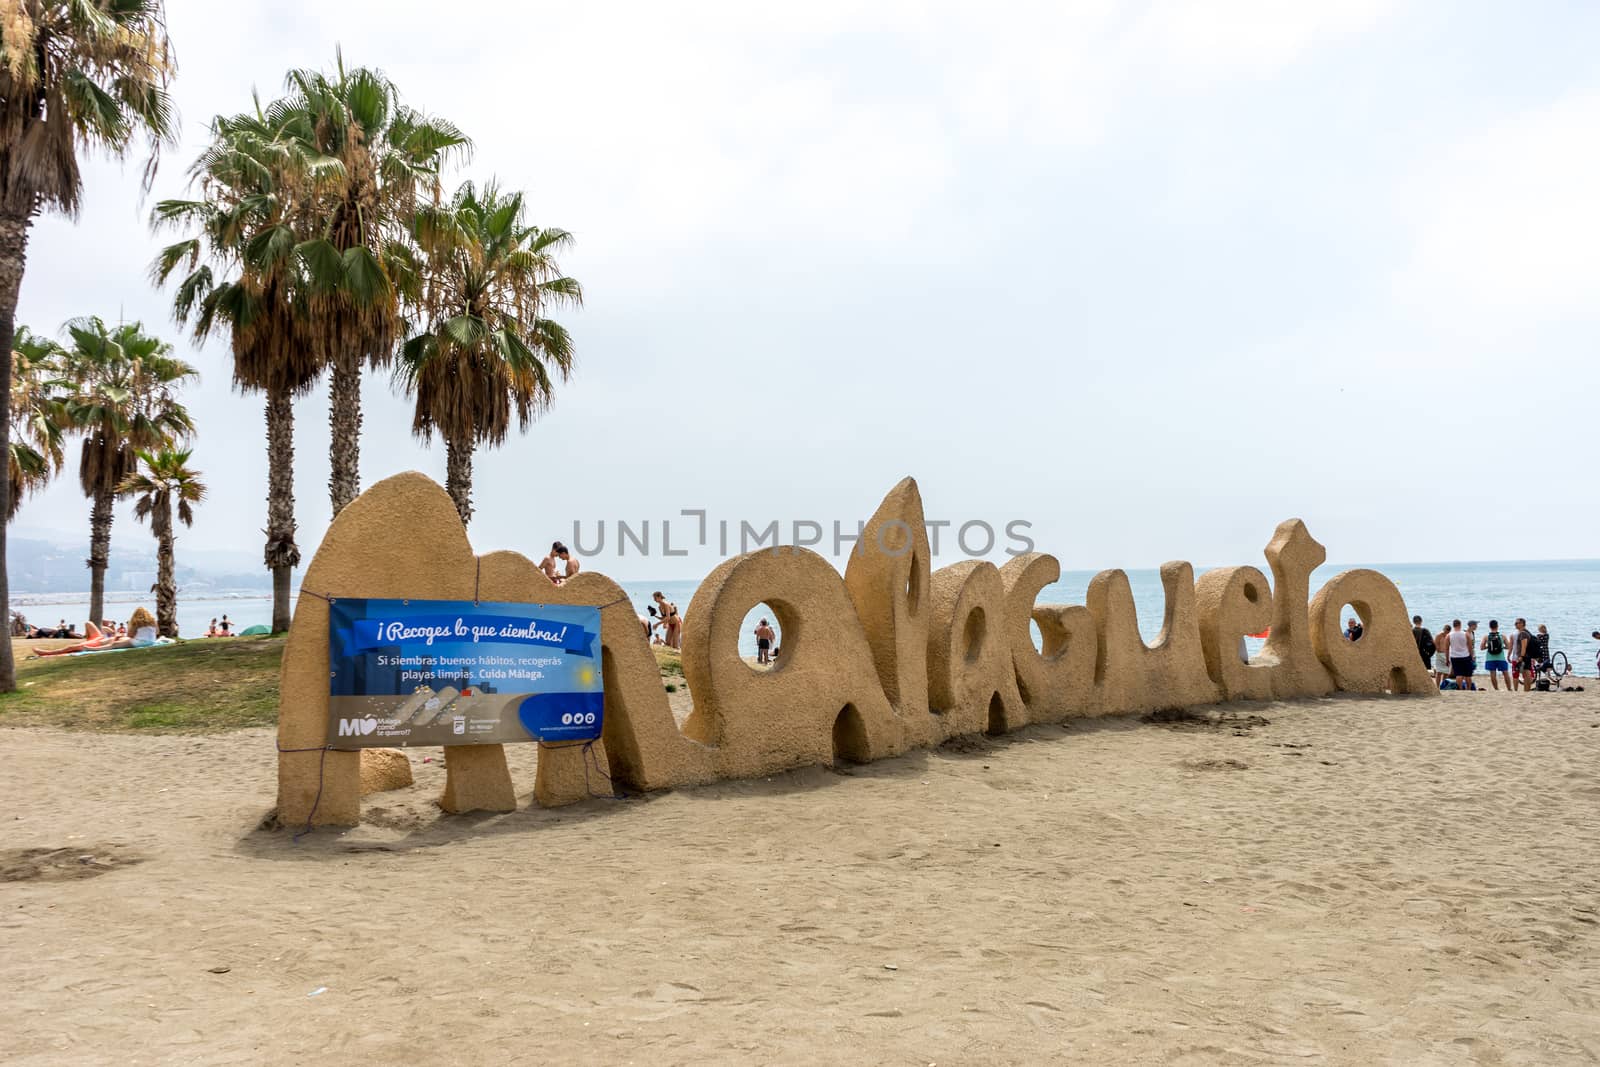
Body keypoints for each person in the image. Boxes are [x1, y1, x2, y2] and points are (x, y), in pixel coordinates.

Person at [34, 608, 159, 657]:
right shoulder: (153, 622)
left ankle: (47, 653)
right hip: (147, 641)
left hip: (101, 641)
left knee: (76, 647)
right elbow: (157, 632)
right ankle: (47, 652)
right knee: (113, 641)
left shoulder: (135, 623)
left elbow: (130, 637)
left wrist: (117, 637)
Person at [1480, 620, 1512, 690]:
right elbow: (1509, 646)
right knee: (1505, 673)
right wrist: (1502, 647)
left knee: (1493, 674)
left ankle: (1496, 689)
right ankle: (1509, 688)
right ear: (1497, 626)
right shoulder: (1502, 636)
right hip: (1501, 658)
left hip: (1490, 658)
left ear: (1489, 626)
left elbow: (1481, 648)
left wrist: (1488, 646)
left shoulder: (1486, 636)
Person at [1447, 619, 1473, 690]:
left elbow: (1446, 649)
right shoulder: (1466, 634)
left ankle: (1460, 688)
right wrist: (1471, 656)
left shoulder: (1449, 635)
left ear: (1453, 625)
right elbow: (1470, 647)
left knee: (1458, 674)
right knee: (1468, 675)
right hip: (1465, 656)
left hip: (1454, 656)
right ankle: (1469, 688)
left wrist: (1447, 659)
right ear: (1460, 625)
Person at [1512, 618, 1536, 691]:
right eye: (1515, 623)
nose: (1515, 624)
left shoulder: (1522, 633)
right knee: (1527, 672)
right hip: (1528, 655)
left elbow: (1524, 645)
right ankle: (1527, 690)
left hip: (1525, 656)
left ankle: (1526, 689)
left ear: (1522, 623)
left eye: (1517, 623)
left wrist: (1521, 656)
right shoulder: (1527, 632)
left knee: (1526, 673)